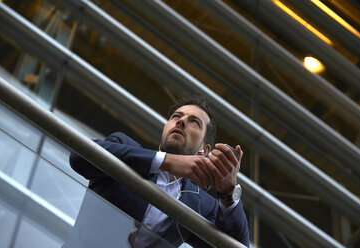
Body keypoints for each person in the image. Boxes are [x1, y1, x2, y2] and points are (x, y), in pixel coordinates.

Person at [68, 94, 249, 247]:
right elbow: (78, 158)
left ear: (204, 150)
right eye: (176, 117)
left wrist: (228, 193)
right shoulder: (123, 145)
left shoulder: (201, 204)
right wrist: (166, 161)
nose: (182, 121)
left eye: (194, 122)